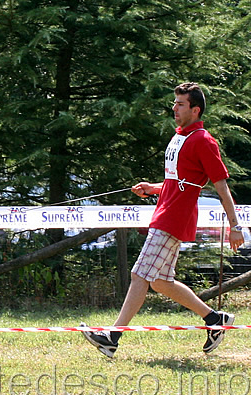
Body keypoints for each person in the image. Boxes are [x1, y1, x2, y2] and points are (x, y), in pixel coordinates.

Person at [82, 82, 245, 358]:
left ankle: (112, 337)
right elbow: (178, 181)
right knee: (160, 282)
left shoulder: (203, 140)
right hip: (165, 211)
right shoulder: (180, 136)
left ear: (195, 110)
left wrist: (236, 225)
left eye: (180, 104)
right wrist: (153, 188)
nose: (174, 108)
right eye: (174, 103)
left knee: (138, 275)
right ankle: (214, 319)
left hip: (174, 217)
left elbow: (220, 185)